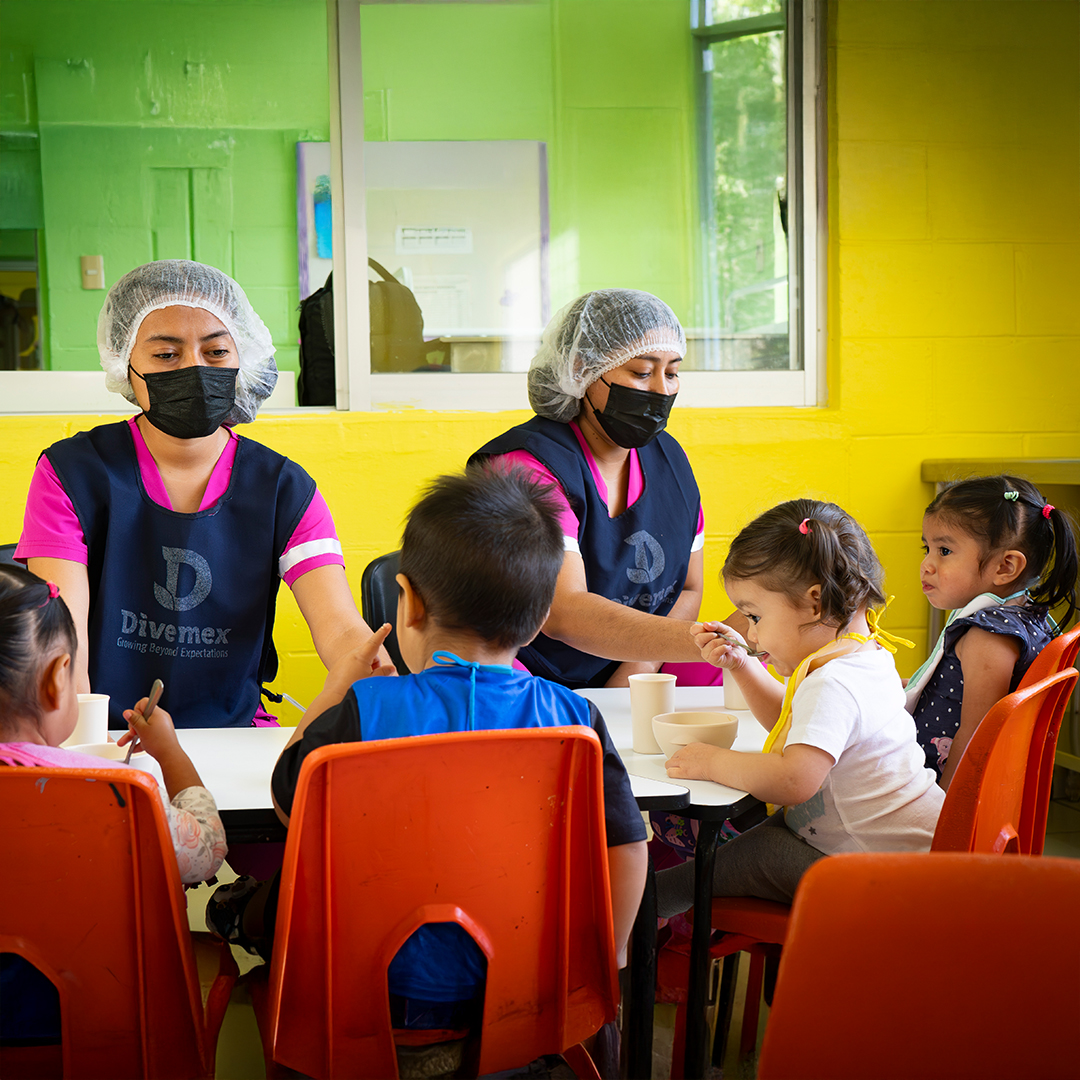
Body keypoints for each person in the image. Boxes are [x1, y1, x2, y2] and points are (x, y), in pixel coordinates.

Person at [205, 466, 647, 1069]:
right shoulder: (576, 721)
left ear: (407, 602)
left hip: (374, 994)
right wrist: (608, 955)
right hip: (526, 991)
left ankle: (240, 912)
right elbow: (626, 846)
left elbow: (289, 806)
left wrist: (336, 687)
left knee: (278, 893)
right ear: (542, 613)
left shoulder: (366, 708)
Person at [16, 260, 386, 729]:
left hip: (234, 733)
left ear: (242, 358)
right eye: (166, 354)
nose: (194, 368)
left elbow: (339, 626)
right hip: (107, 734)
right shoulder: (70, 473)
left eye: (216, 351)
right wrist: (89, 748)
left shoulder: (284, 489)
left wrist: (370, 668)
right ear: (125, 364)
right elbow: (63, 647)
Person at [655, 500, 944, 915]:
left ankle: (645, 909)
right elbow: (796, 724)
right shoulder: (862, 655)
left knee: (757, 852)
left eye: (754, 617)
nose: (751, 636)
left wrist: (712, 762)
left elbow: (793, 780)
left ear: (815, 603)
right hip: (906, 858)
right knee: (758, 836)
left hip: (888, 879)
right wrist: (741, 666)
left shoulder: (834, 683)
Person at [470, 289, 745, 689]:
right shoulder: (525, 468)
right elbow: (564, 613)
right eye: (642, 372)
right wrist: (713, 640)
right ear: (582, 369)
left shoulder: (671, 461)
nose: (661, 390)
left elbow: (689, 588)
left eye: (671, 373)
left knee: (743, 673)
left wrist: (637, 674)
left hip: (637, 661)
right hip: (532, 669)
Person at [0, 564, 226, 1043]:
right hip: (105, 1035)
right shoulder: (120, 792)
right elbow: (207, 852)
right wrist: (170, 753)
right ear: (57, 678)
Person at [907, 475, 1079, 787]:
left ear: (1005, 567)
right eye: (926, 548)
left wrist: (945, 807)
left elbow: (976, 739)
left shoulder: (987, 638)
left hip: (938, 791)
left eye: (944, 551)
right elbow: (952, 692)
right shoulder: (1027, 617)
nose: (926, 565)